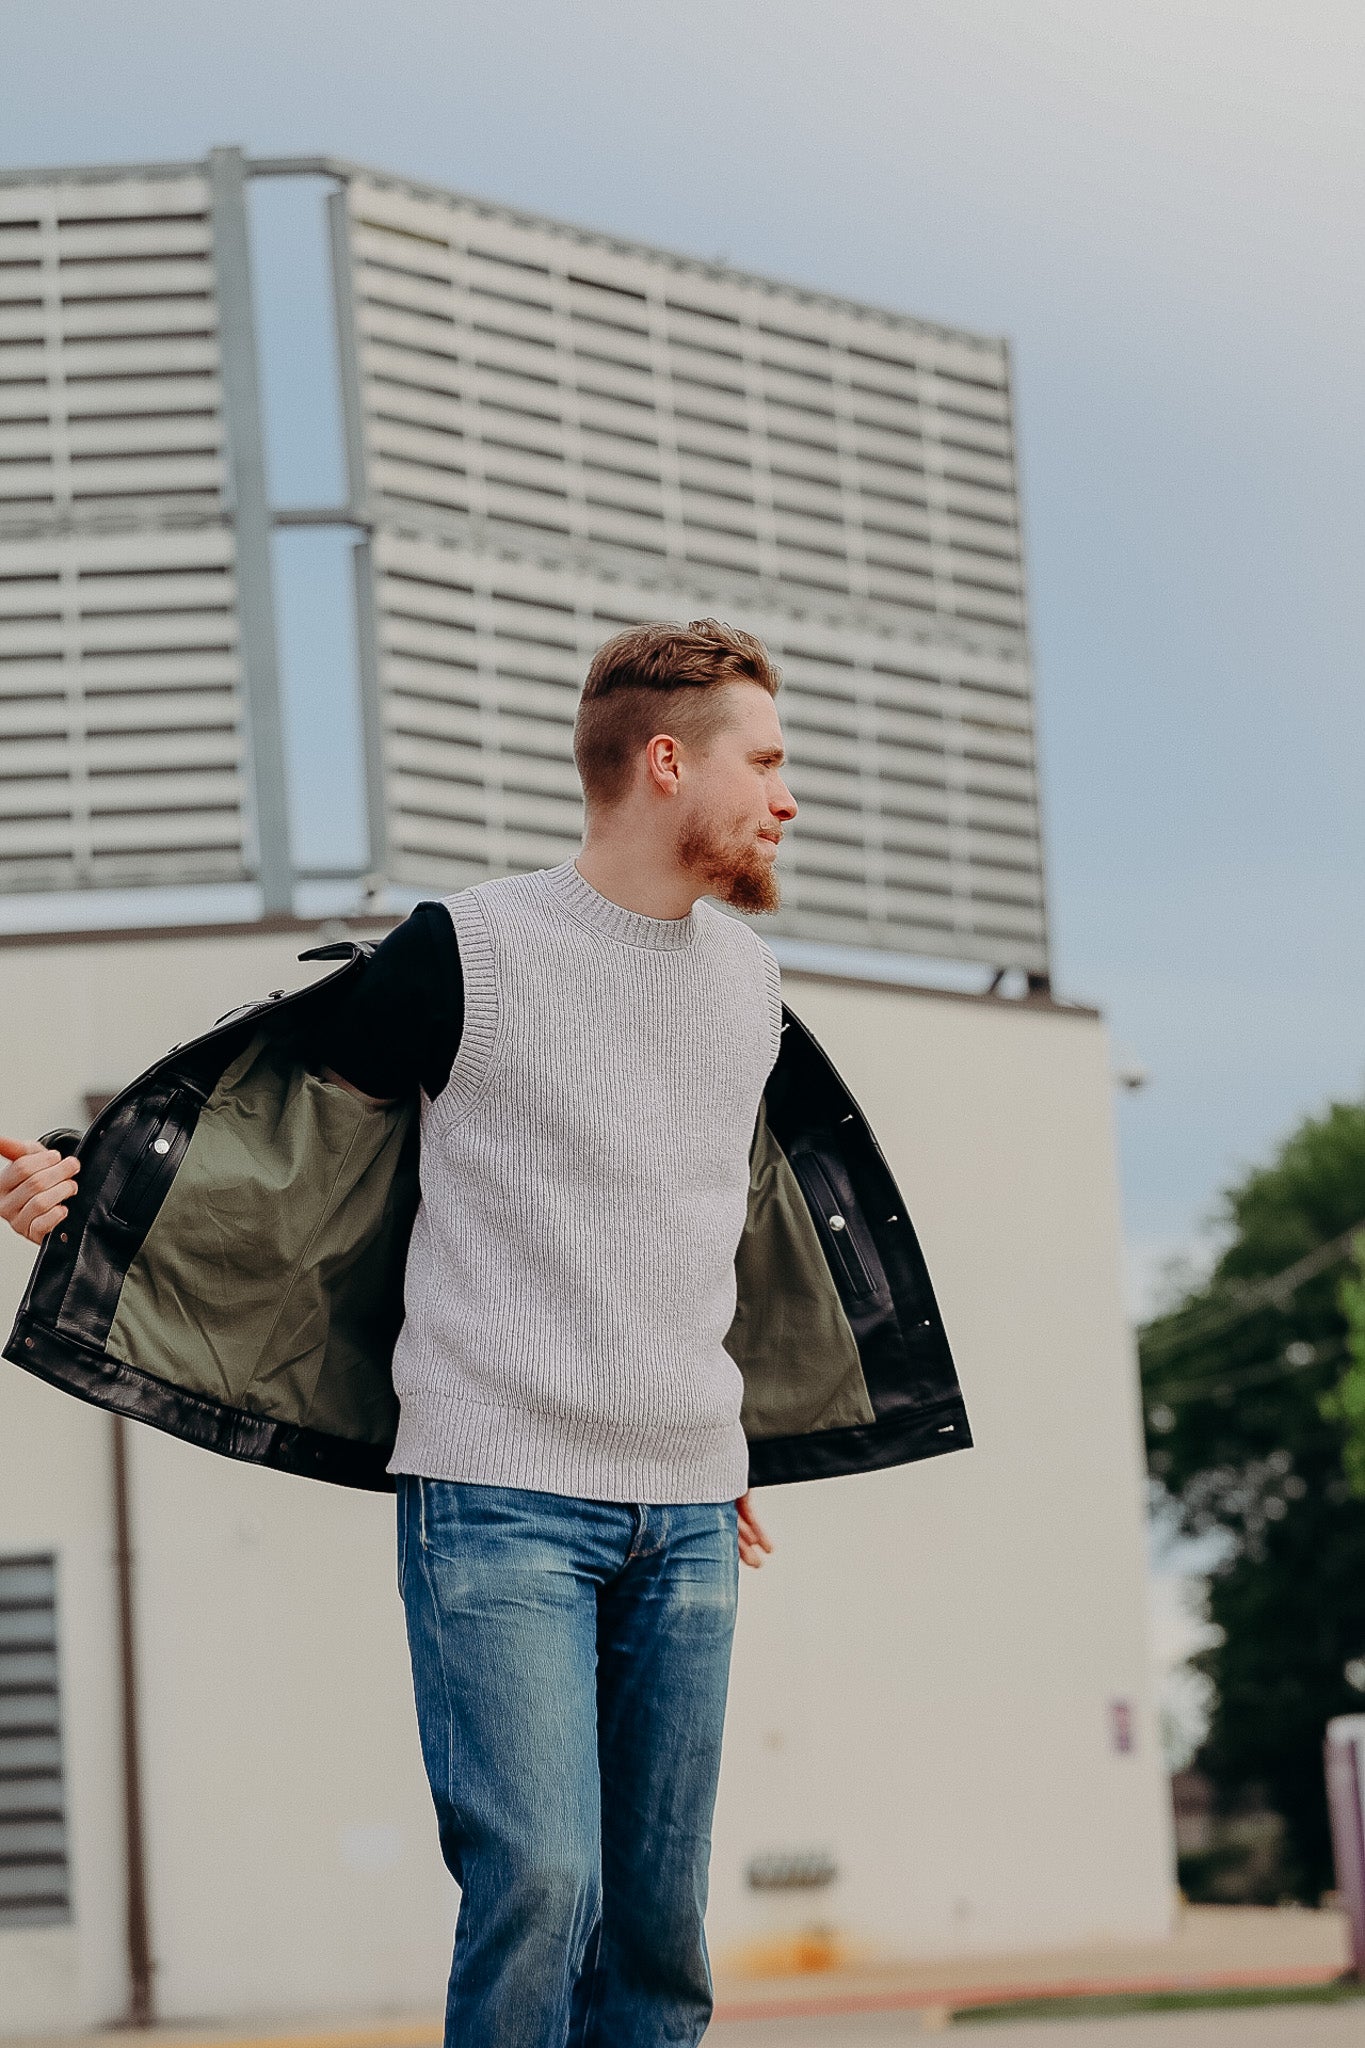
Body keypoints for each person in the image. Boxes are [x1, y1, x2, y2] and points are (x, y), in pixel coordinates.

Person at [3, 619, 800, 2048]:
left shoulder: (748, 983)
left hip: (685, 1506)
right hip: (498, 1498)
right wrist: (78, 1185)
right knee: (542, 1885)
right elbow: (269, 1136)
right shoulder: (473, 952)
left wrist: (731, 1434)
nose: (788, 798)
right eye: (769, 762)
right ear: (668, 761)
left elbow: (710, 1227)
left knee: (661, 1931)